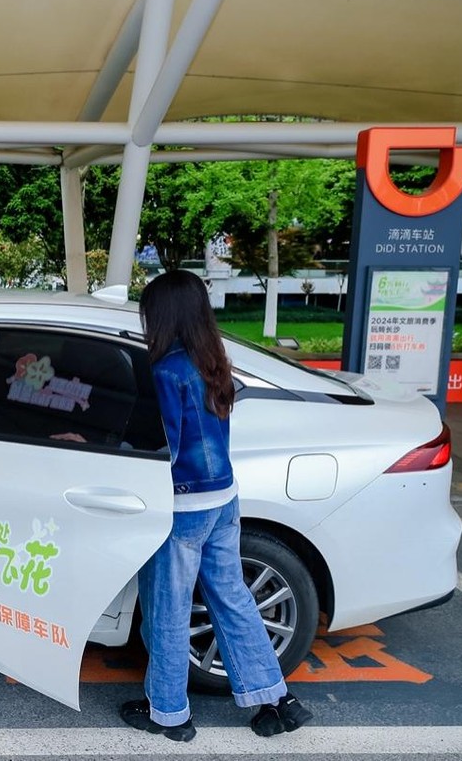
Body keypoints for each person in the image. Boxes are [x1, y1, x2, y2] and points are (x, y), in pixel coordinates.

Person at [119, 270, 312, 742]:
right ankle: (275, 700)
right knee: (234, 600)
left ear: (161, 316)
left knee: (167, 608)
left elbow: (163, 443)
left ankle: (168, 713)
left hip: (183, 508)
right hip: (224, 499)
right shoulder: (213, 360)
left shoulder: (164, 370)